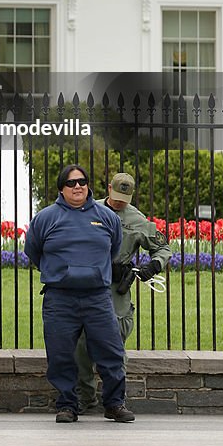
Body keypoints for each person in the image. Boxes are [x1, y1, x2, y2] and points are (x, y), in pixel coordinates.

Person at [23, 164, 135, 424]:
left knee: (111, 351)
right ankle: (66, 405)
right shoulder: (45, 218)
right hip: (59, 298)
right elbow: (34, 251)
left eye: (82, 182)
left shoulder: (106, 217)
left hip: (97, 297)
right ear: (62, 188)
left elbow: (114, 248)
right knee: (61, 354)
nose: (78, 187)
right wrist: (60, 272)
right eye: (72, 183)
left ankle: (114, 404)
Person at [75, 171, 171, 414]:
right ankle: (84, 397)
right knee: (81, 342)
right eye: (116, 196)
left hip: (115, 290)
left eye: (124, 198)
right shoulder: (88, 210)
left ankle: (115, 401)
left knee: (114, 344)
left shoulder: (137, 219)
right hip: (86, 283)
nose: (119, 202)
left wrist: (153, 266)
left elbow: (163, 248)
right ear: (109, 188)